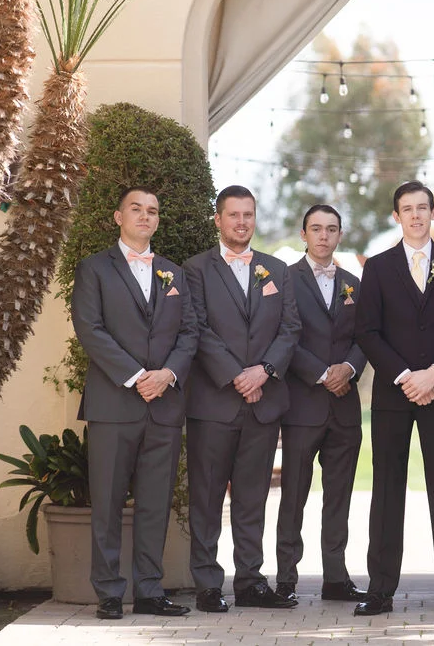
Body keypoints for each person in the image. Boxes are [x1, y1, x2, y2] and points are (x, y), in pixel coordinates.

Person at [352, 180, 434, 616]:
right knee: (386, 492)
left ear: (432, 213)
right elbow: (367, 331)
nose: (415, 215)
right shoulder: (377, 267)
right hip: (394, 394)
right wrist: (407, 376)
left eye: (422, 207)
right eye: (406, 209)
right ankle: (380, 590)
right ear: (396, 216)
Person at [72, 186, 198, 620]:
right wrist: (136, 376)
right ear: (118, 216)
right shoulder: (94, 268)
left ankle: (149, 590)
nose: (145, 216)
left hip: (163, 405)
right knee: (107, 503)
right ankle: (109, 592)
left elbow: (190, 332)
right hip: (113, 404)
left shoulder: (173, 273)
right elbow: (89, 328)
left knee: (155, 503)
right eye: (137, 209)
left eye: (153, 211)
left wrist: (168, 374)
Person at [182, 185, 301, 613]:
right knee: (207, 499)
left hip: (263, 403)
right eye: (233, 215)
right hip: (214, 403)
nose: (241, 222)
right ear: (218, 220)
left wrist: (264, 371)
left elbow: (290, 328)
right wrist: (236, 375)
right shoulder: (195, 269)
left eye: (248, 214)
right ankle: (208, 585)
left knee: (253, 499)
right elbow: (196, 328)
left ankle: (250, 582)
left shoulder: (277, 270)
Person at [274, 204, 367, 603]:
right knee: (293, 495)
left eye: (331, 229)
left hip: (344, 408)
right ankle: (285, 578)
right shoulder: (284, 279)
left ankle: (336, 577)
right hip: (302, 405)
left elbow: (366, 336)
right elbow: (282, 335)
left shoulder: (354, 284)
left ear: (340, 235)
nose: (324, 235)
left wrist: (348, 368)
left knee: (339, 497)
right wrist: (322, 373)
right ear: (304, 234)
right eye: (316, 228)